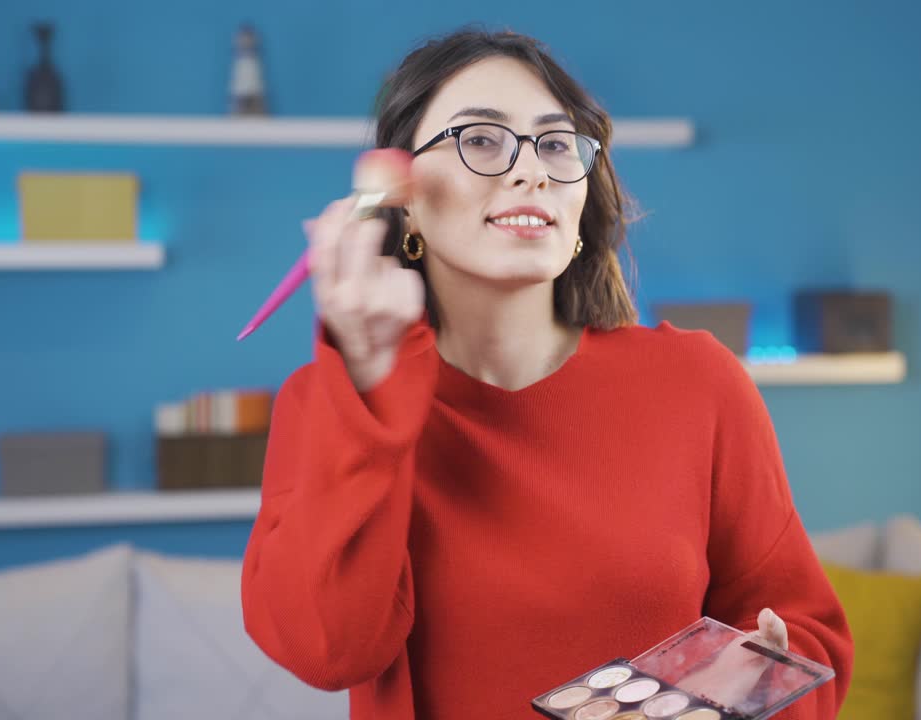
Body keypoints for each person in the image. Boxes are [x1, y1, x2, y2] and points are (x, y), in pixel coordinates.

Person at [241, 27, 853, 720]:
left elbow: (810, 640)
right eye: (481, 139)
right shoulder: (330, 402)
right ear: (403, 195)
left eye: (556, 144)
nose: (531, 170)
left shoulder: (700, 383)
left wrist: (764, 679)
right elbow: (327, 649)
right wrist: (371, 385)